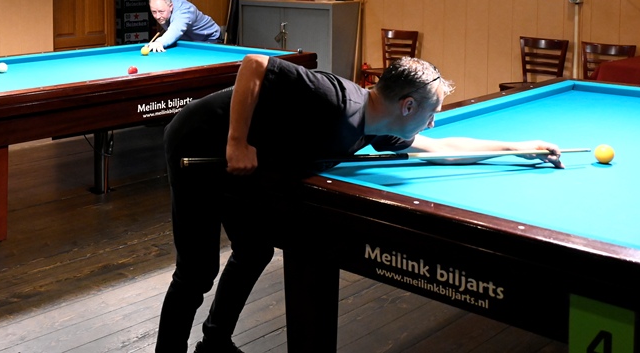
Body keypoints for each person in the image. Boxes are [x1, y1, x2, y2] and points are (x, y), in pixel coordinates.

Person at [155, 56, 563, 353]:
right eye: (431, 113)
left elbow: (441, 149)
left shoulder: (380, 127)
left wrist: (517, 148)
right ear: (407, 106)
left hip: (242, 160)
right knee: (197, 271)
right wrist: (237, 142)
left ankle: (214, 342)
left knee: (254, 249)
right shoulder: (335, 99)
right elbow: (255, 66)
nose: (432, 122)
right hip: (198, 142)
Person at [146, 0, 220, 51]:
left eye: (161, 11)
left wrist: (159, 42)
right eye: (154, 12)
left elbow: (176, 29)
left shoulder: (185, 11)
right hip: (188, 39)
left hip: (208, 38)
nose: (157, 16)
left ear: (171, 6)